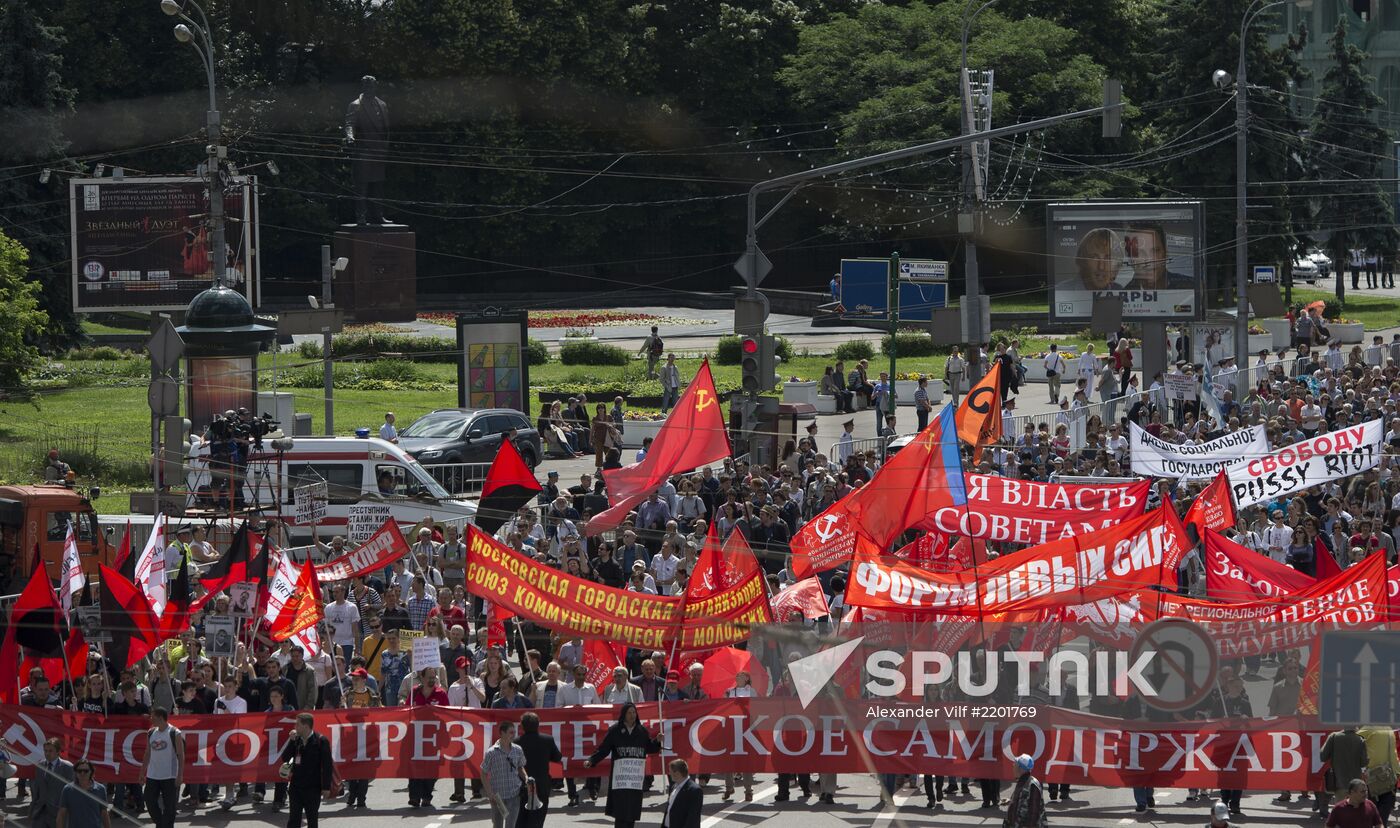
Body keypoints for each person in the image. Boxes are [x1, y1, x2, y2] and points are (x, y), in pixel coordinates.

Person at [583, 702, 662, 828]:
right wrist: (592, 760)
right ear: (624, 715)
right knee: (620, 813)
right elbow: (603, 749)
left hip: (635, 779)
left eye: (634, 712)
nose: (632, 715)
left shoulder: (642, 731)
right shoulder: (615, 731)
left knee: (632, 812)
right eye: (629, 713)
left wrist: (657, 742)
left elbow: (650, 748)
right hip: (620, 779)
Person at [278, 713, 334, 828]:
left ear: (306, 726)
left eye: (297, 724)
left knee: (312, 821)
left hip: (313, 788)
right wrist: (291, 741)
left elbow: (327, 765)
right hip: (296, 787)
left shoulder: (321, 741)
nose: (295, 727)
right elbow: (285, 758)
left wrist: (326, 787)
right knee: (293, 821)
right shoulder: (296, 740)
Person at [515, 712, 562, 828]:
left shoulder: (516, 742)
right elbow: (557, 757)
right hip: (541, 784)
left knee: (521, 817)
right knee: (538, 817)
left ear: (522, 726)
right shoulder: (547, 740)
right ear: (538, 725)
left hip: (521, 784)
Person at [480, 719, 528, 828]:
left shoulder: (517, 750)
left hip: (514, 795)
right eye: (511, 732)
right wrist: (490, 793)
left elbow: (520, 766)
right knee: (498, 825)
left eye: (514, 732)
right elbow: (483, 773)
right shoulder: (491, 753)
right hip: (498, 798)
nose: (513, 735)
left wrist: (526, 778)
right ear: (502, 733)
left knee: (510, 825)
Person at [139, 709, 183, 828]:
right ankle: (161, 824)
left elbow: (181, 755)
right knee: (149, 801)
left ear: (161, 717)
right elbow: (147, 753)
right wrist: (142, 772)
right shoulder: (151, 732)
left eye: (153, 717)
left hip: (169, 775)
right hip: (153, 775)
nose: (151, 719)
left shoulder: (174, 732)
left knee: (170, 807)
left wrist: (180, 775)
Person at [32, 737, 75, 828]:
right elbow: (37, 789)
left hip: (58, 812)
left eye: (50, 751)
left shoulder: (68, 767)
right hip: (40, 812)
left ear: (58, 751)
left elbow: (72, 792)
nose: (47, 753)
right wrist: (33, 809)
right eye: (45, 751)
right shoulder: (40, 765)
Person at [56, 760, 109, 828]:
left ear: (91, 772)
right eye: (79, 771)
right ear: (75, 772)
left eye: (86, 771)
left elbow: (104, 814)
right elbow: (61, 815)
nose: (82, 773)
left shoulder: (101, 789)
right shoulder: (67, 790)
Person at [1003, 753, 1045, 828]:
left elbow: (1034, 813)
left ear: (1020, 768)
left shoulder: (1032, 785)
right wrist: (1011, 801)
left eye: (1015, 764)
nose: (1013, 766)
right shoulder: (1022, 782)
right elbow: (1024, 800)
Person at [662, 759, 702, 828]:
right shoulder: (673, 786)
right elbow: (669, 810)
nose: (669, 773)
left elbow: (693, 818)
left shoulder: (695, 790)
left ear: (677, 773)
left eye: (670, 771)